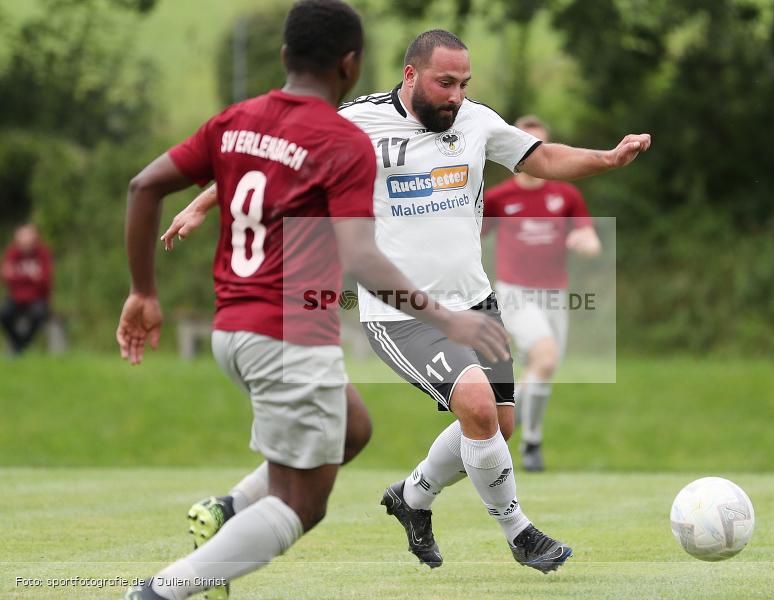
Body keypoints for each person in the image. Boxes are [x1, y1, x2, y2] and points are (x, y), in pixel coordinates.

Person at [117, 4, 507, 599]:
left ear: (283, 56)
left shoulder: (239, 120)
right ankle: (160, 592)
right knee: (302, 501)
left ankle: (223, 514)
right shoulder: (341, 140)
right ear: (351, 66)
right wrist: (446, 315)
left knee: (353, 429)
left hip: (234, 331)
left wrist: (143, 290)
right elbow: (363, 259)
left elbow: (144, 185)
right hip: (287, 331)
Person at [483, 115, 601, 472]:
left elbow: (590, 238)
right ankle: (485, 420)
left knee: (543, 369)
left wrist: (585, 241)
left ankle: (531, 441)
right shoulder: (499, 198)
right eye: (525, 145)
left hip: (554, 296)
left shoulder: (565, 195)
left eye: (540, 147)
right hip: (515, 293)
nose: (532, 154)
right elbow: (468, 239)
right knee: (545, 358)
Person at [1, 223, 53, 355]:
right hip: (16, 298)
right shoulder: (12, 253)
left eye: (29, 241)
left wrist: (17, 276)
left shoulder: (43, 253)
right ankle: (19, 342)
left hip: (38, 298)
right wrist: (30, 277)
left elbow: (45, 280)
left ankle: (23, 343)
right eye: (22, 242)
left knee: (39, 314)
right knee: (4, 315)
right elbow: (6, 276)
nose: (26, 245)